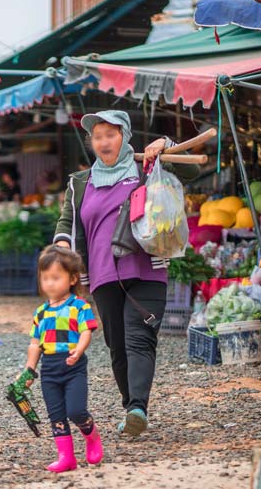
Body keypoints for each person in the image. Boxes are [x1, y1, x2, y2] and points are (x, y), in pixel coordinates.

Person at [53, 110, 199, 436]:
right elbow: (67, 223)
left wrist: (166, 145)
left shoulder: (146, 168)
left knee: (139, 338)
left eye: (111, 134)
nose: (104, 142)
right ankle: (130, 407)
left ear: (125, 136)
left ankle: (138, 408)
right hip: (102, 274)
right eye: (98, 136)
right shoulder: (80, 182)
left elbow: (193, 171)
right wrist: (62, 248)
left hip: (146, 268)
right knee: (117, 346)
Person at [20, 246, 103, 473]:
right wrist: (29, 370)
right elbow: (35, 343)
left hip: (73, 366)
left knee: (76, 410)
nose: (50, 283)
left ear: (72, 278)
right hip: (49, 369)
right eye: (45, 278)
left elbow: (86, 331)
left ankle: (92, 436)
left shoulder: (80, 306)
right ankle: (66, 457)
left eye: (56, 278)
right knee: (56, 415)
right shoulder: (40, 312)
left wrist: (79, 350)